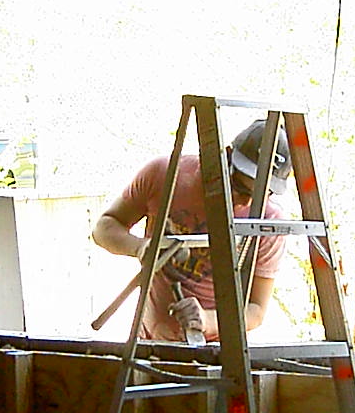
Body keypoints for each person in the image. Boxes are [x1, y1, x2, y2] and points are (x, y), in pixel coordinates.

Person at [91, 118, 292, 344]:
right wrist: (140, 247)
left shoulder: (268, 221)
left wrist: (207, 321)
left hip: (216, 351)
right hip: (148, 342)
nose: (246, 202)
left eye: (261, 194)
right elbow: (103, 227)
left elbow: (256, 310)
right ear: (224, 158)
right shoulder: (165, 175)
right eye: (240, 188)